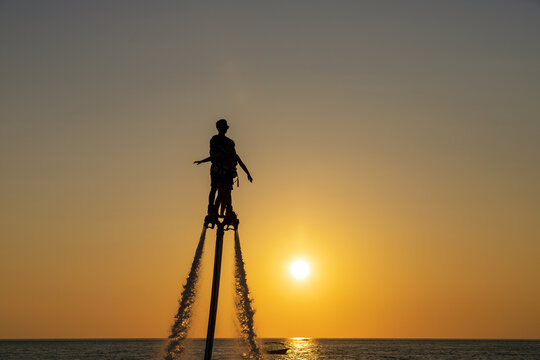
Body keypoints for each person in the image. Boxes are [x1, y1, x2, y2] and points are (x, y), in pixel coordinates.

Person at [194, 119, 253, 220]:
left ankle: (228, 210)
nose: (225, 129)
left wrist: (248, 173)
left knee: (227, 191)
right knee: (214, 188)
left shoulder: (230, 143)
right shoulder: (215, 140)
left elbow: (239, 160)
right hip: (217, 170)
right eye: (223, 127)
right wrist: (202, 161)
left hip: (227, 171)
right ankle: (212, 209)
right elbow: (213, 156)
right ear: (219, 128)